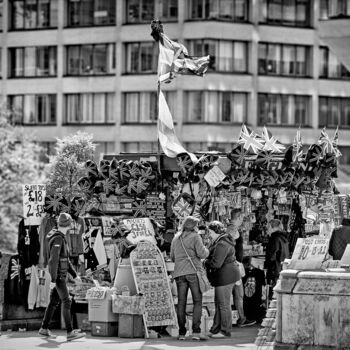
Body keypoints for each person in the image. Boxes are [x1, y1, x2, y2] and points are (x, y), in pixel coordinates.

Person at [39, 212, 86, 341]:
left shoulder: (57, 235)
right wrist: (53, 280)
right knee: (67, 301)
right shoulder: (58, 238)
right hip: (59, 276)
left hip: (60, 274)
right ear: (68, 224)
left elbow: (65, 259)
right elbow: (53, 260)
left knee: (54, 302)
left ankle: (44, 328)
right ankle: (70, 332)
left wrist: (75, 275)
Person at [170, 216, 209, 341]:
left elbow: (172, 257)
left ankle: (182, 333)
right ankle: (196, 332)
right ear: (193, 226)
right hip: (193, 272)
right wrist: (207, 249)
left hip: (179, 273)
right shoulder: (195, 237)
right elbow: (202, 254)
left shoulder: (176, 239)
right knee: (197, 301)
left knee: (181, 303)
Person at [205, 221, 240, 338]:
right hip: (225, 276)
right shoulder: (221, 241)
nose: (209, 234)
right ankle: (216, 329)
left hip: (225, 276)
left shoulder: (222, 243)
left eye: (210, 231)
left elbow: (216, 263)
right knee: (220, 303)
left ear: (215, 231)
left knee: (223, 304)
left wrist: (205, 262)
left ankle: (225, 330)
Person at [227, 210, 255, 327]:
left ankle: (241, 317)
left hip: (235, 265)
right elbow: (229, 247)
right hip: (234, 265)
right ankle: (239, 318)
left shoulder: (231, 229)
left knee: (237, 294)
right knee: (237, 294)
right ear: (238, 218)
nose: (243, 220)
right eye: (242, 218)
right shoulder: (232, 230)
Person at [264, 218, 289, 297]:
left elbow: (271, 256)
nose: (267, 230)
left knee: (274, 294)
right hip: (282, 269)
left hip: (275, 271)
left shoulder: (274, 239)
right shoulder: (283, 238)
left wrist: (266, 267)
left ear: (272, 228)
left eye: (268, 228)